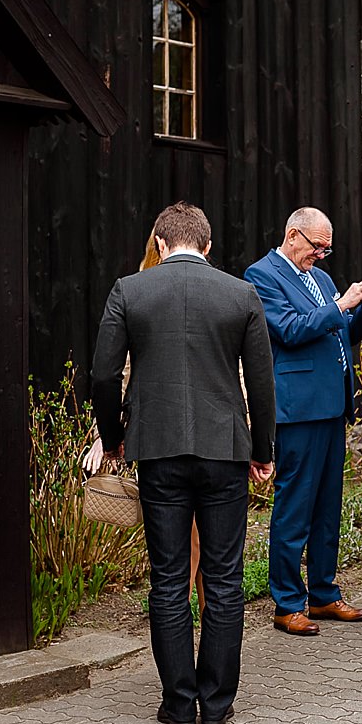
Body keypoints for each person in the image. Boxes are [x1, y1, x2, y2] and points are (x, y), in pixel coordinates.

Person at [90, 203, 275, 724]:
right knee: (223, 578)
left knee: (168, 578)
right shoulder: (240, 294)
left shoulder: (130, 290)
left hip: (159, 450)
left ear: (161, 242)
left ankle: (178, 704)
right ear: (208, 245)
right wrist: (262, 449)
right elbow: (262, 384)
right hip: (224, 451)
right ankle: (216, 704)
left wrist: (114, 438)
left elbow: (104, 376)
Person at [244, 207, 362, 636]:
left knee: (328, 507)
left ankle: (323, 594)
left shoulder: (321, 279)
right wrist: (342, 303)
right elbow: (288, 329)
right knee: (295, 508)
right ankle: (287, 602)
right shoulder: (262, 275)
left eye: (327, 248)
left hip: (331, 406)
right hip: (298, 409)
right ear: (293, 235)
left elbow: (338, 331)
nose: (322, 255)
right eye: (317, 246)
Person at [85, 235, 205, 615]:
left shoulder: (199, 292)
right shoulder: (137, 296)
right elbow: (120, 375)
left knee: (196, 543)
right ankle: (186, 628)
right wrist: (103, 436)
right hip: (184, 433)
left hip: (184, 434)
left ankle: (192, 627)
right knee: (189, 543)